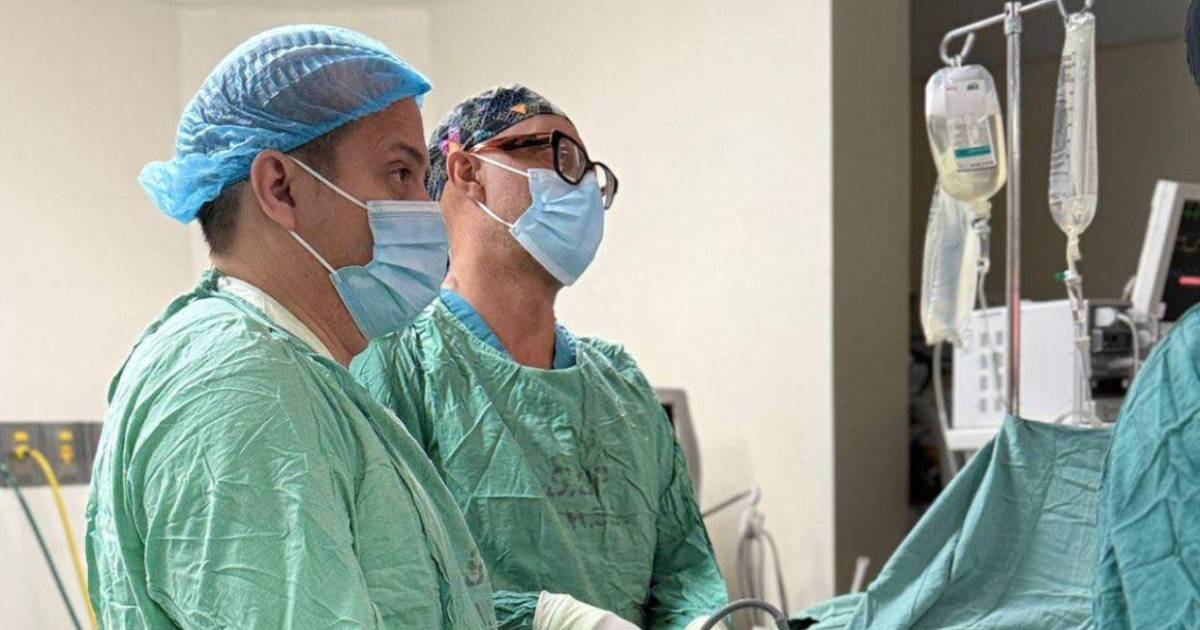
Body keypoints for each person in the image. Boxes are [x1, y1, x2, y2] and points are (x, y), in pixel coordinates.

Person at [86, 28, 616, 630]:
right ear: (281, 188)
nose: (428, 209)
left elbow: (404, 603)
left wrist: (540, 619)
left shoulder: (304, 375)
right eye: (400, 173)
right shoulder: (240, 391)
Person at [352, 85, 729, 629]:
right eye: (562, 157)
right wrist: (543, 619)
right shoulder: (396, 365)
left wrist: (701, 623)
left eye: (592, 174)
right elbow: (390, 583)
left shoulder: (620, 385)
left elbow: (685, 572)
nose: (583, 188)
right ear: (468, 171)